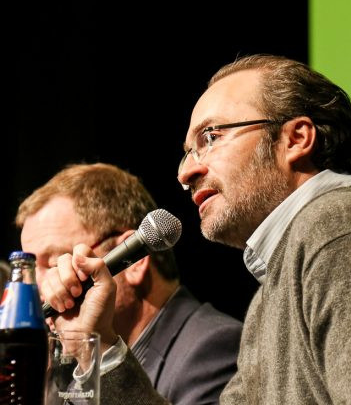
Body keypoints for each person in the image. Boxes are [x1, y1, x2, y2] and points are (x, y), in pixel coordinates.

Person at [39, 55, 351, 404]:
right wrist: (99, 345)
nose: (185, 173)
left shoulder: (347, 236)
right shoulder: (278, 283)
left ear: (296, 139)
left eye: (211, 138)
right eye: (187, 152)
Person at [16, 162, 242, 405]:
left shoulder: (214, 348)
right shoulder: (68, 366)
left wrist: (98, 348)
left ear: (135, 260)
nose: (37, 287)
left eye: (54, 264)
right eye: (30, 268)